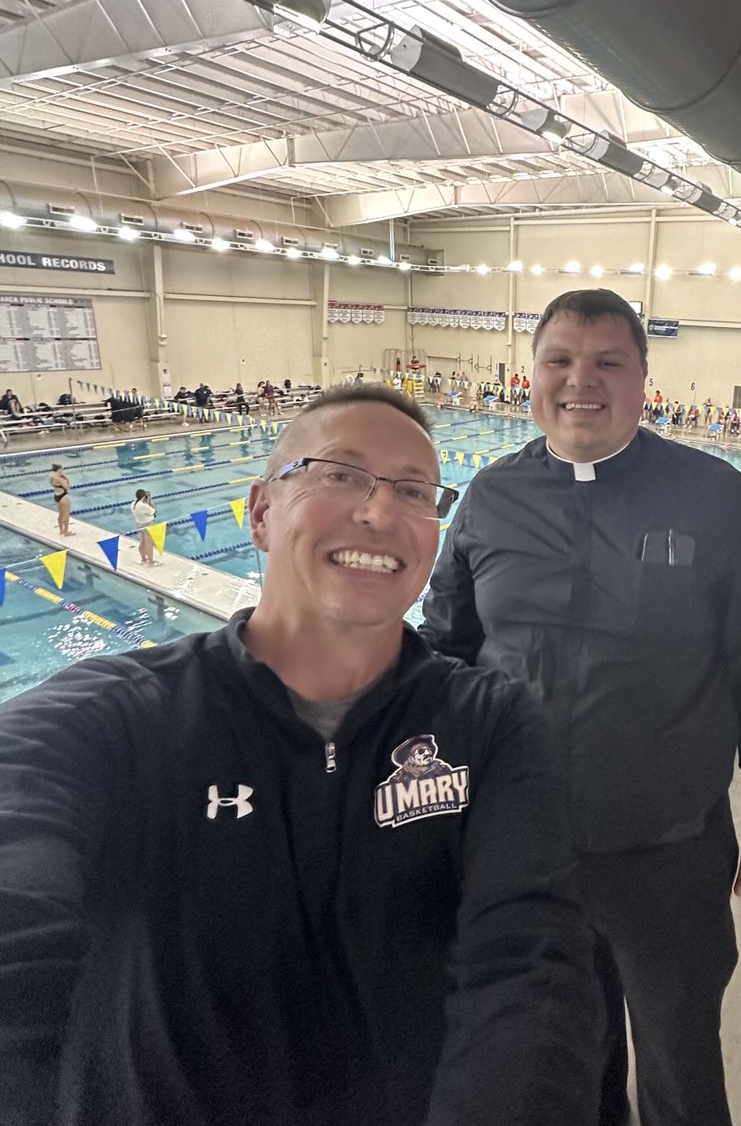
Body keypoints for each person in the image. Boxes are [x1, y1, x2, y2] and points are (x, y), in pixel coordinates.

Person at [0, 384, 602, 1126]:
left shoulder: (490, 722)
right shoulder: (117, 716)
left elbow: (533, 971)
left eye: (413, 490)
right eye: (340, 474)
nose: (380, 512)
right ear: (259, 511)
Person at [421, 288, 741, 1126]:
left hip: (667, 853)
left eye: (607, 363)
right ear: (530, 375)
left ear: (643, 379)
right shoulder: (489, 498)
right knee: (564, 1053)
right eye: (559, 361)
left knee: (678, 1062)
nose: (579, 382)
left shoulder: (709, 496)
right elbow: (446, 651)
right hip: (526, 851)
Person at [131, 487, 157, 565]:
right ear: (143, 496)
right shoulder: (143, 506)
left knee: (142, 542)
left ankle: (143, 559)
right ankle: (151, 562)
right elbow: (154, 511)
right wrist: (150, 501)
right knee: (149, 543)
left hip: (139, 524)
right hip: (148, 524)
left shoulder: (133, 504)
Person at [49, 463, 73, 536]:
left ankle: (61, 530)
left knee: (60, 514)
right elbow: (68, 487)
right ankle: (66, 532)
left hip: (56, 495)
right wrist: (68, 480)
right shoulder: (59, 479)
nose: (63, 470)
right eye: (62, 469)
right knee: (66, 515)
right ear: (59, 469)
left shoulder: (51, 476)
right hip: (64, 497)